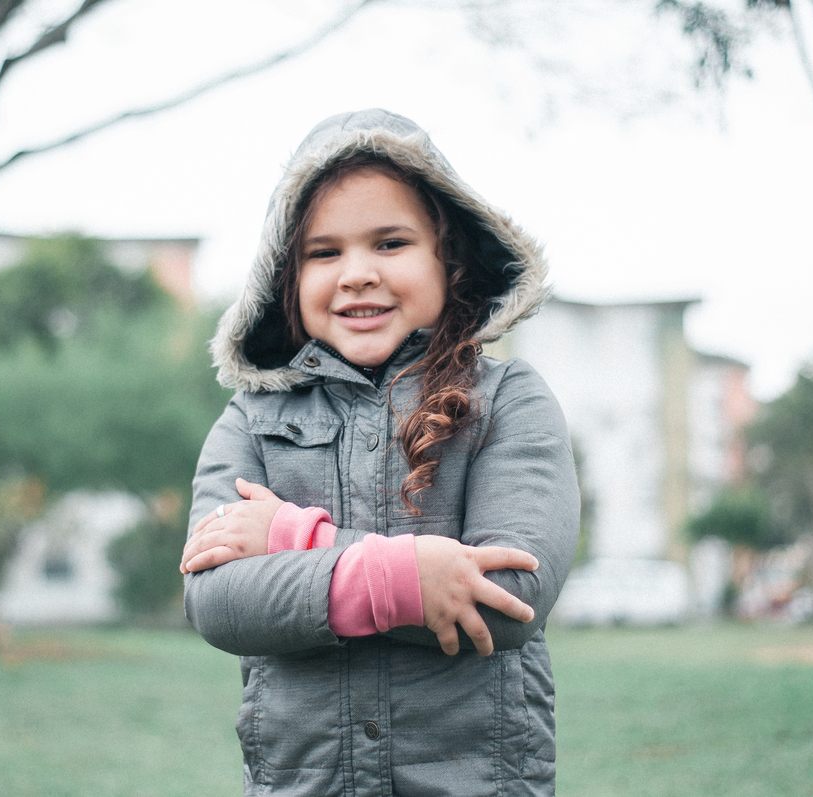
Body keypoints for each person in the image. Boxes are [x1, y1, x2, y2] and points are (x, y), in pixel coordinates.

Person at [181, 109, 580, 797]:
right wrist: (409, 578)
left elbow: (509, 597)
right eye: (324, 252)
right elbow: (216, 597)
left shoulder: (509, 401)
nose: (358, 273)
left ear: (449, 260)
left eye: (390, 243)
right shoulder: (252, 419)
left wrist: (296, 539)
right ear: (285, 276)